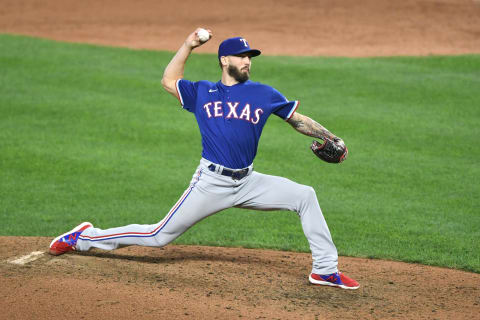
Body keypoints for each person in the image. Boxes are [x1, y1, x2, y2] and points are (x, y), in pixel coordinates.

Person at [49, 28, 359, 290]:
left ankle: (324, 269)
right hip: (211, 183)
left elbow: (298, 120)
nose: (247, 61)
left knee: (305, 195)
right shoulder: (202, 92)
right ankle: (84, 237)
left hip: (249, 181)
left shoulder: (264, 94)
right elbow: (169, 80)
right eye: (242, 56)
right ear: (225, 60)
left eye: (250, 57)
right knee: (158, 236)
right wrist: (188, 45)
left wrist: (329, 137)